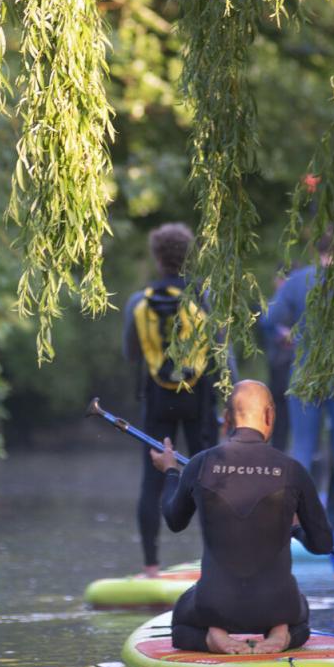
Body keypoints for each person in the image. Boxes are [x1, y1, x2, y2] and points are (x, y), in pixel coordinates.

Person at [150, 380, 333, 654]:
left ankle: (213, 636)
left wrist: (171, 472)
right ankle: (281, 634)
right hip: (278, 605)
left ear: (226, 419)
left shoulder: (200, 464)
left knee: (180, 625)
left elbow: (174, 521)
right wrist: (293, 529)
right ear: (270, 416)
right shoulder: (292, 470)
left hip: (215, 605)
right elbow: (323, 544)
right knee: (302, 616)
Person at [123, 222, 222, 576]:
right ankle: (215, 561)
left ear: (157, 256)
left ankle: (151, 566)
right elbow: (221, 351)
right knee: (207, 477)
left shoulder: (140, 301)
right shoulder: (205, 299)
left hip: (156, 398)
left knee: (151, 481)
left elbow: (131, 354)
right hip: (199, 397)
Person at [264, 229, 334, 535]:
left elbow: (269, 319)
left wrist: (286, 336)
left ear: (315, 249)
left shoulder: (298, 281)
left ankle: (294, 518)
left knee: (303, 447)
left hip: (306, 373)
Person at [258, 267, 296, 452]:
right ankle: (279, 451)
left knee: (286, 412)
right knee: (280, 413)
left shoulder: (283, 303)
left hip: (287, 365)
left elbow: (266, 323)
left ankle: (283, 451)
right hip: (279, 366)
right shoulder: (276, 303)